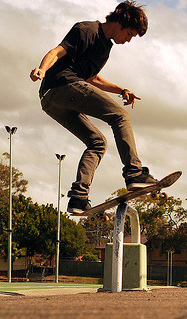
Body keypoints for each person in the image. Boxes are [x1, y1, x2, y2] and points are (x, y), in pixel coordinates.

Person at [30, 1, 157, 214]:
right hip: (62, 85)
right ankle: (134, 173)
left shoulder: (106, 48)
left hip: (52, 101)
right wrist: (41, 69)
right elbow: (56, 52)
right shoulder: (86, 29)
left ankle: (78, 198)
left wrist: (122, 90)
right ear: (120, 23)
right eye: (130, 34)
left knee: (97, 142)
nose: (128, 41)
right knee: (120, 116)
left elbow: (92, 78)